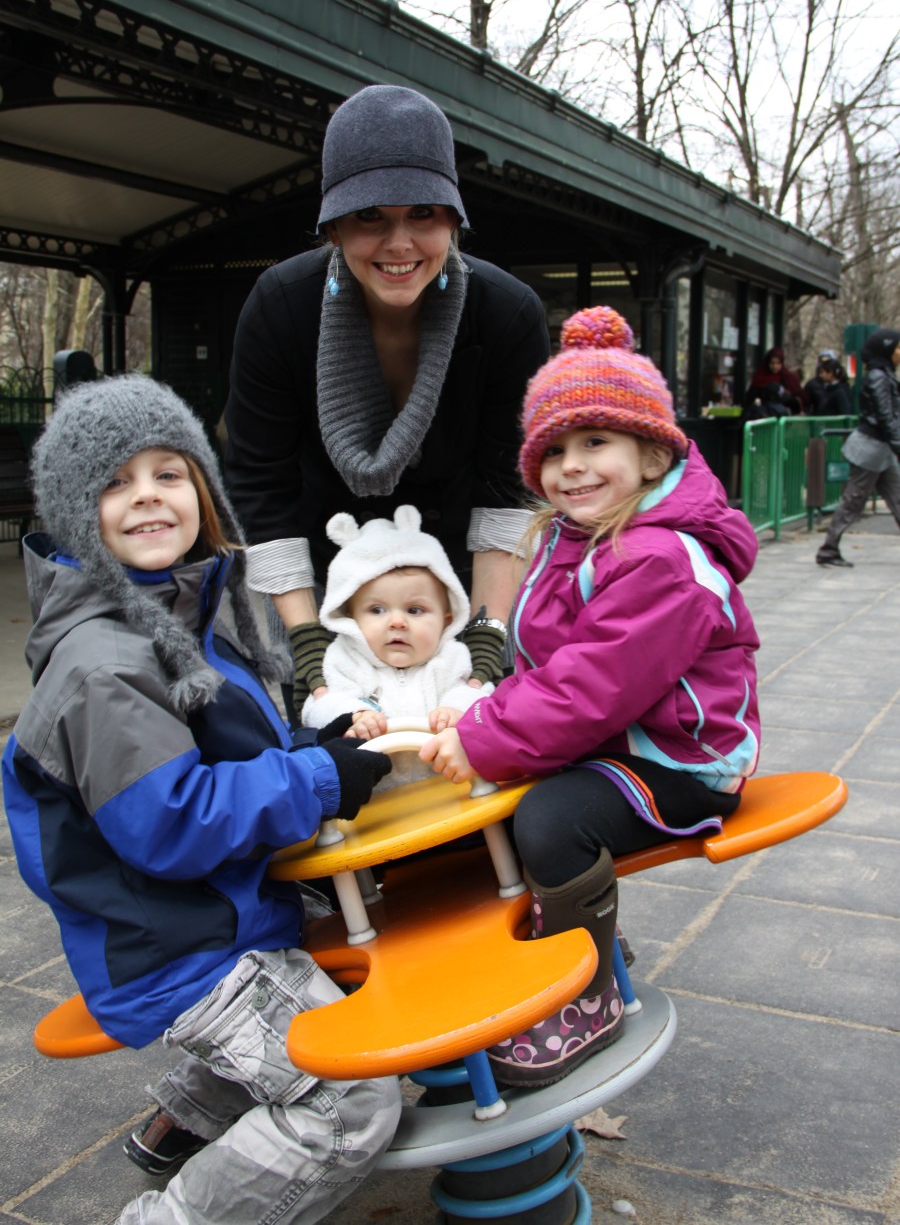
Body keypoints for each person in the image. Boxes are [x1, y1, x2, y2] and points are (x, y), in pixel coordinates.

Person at [1, 375, 400, 1225]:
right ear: (78, 511)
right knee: (354, 1097)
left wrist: (320, 750)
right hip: (179, 949)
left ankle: (180, 1125)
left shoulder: (190, 608)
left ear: (202, 491)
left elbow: (235, 745)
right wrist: (320, 781)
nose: (146, 496)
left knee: (393, 938)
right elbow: (171, 821)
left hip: (216, 917)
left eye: (167, 472)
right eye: (114, 482)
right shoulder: (102, 664)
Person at [420, 306, 760, 1088]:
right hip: (617, 738)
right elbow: (549, 663)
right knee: (483, 811)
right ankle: (570, 930)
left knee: (549, 817)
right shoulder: (573, 536)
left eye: (595, 443)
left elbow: (591, 685)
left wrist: (484, 739)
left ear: (650, 457)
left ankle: (584, 995)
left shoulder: (661, 558)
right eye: (555, 451)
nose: (570, 466)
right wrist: (482, 708)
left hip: (680, 759)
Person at [224, 84, 550, 723]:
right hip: (320, 578)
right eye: (370, 215)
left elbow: (507, 492)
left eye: (424, 213)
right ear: (334, 224)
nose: (400, 243)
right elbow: (260, 485)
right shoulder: (280, 305)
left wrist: (482, 646)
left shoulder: (507, 314)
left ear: (453, 219)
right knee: (333, 753)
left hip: (461, 575)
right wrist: (310, 650)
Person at [302, 505, 492, 785]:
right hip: (378, 800)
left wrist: (457, 710)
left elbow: (482, 696)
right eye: (377, 610)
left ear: (445, 619)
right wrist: (352, 716)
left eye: (414, 610)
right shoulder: (344, 660)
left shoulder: (450, 657)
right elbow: (317, 707)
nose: (397, 622)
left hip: (446, 788)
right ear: (350, 618)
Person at [816, 328, 900, 567]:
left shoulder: (886, 375)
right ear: (886, 350)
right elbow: (886, 417)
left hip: (881, 450)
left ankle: (829, 548)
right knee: (853, 501)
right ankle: (828, 548)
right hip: (870, 449)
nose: (899, 353)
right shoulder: (878, 377)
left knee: (897, 497)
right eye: (897, 348)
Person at [744, 346, 803, 413]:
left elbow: (798, 398)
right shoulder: (760, 377)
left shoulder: (788, 378)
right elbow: (750, 399)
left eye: (778, 363)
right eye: (772, 363)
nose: (775, 366)